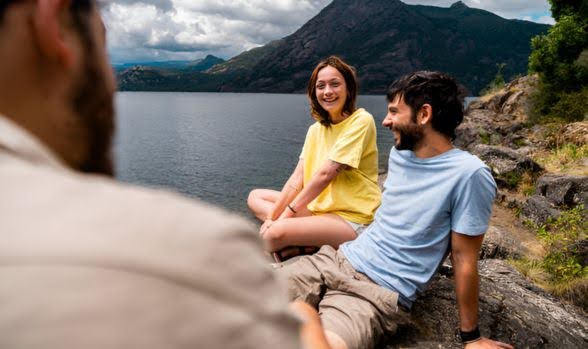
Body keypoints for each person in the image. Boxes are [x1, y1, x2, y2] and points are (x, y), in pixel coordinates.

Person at [0, 1, 330, 348]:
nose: (111, 78)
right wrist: (306, 320)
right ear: (56, 21)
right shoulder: (190, 256)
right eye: (103, 37)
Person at [276, 71, 515, 349]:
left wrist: (471, 337)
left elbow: (463, 257)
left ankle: (299, 313)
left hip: (375, 292)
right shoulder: (401, 154)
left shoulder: (470, 174)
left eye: (393, 112)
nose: (386, 121)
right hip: (337, 259)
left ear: (424, 114)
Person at [247, 56, 381, 261]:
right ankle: (307, 240)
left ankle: (304, 243)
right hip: (318, 210)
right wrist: (274, 217)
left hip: (350, 218)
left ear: (348, 89)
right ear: (314, 92)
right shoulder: (315, 129)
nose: (327, 91)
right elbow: (296, 179)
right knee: (255, 197)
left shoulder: (361, 120)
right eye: (321, 86)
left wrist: (284, 218)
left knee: (272, 235)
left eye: (335, 84)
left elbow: (326, 174)